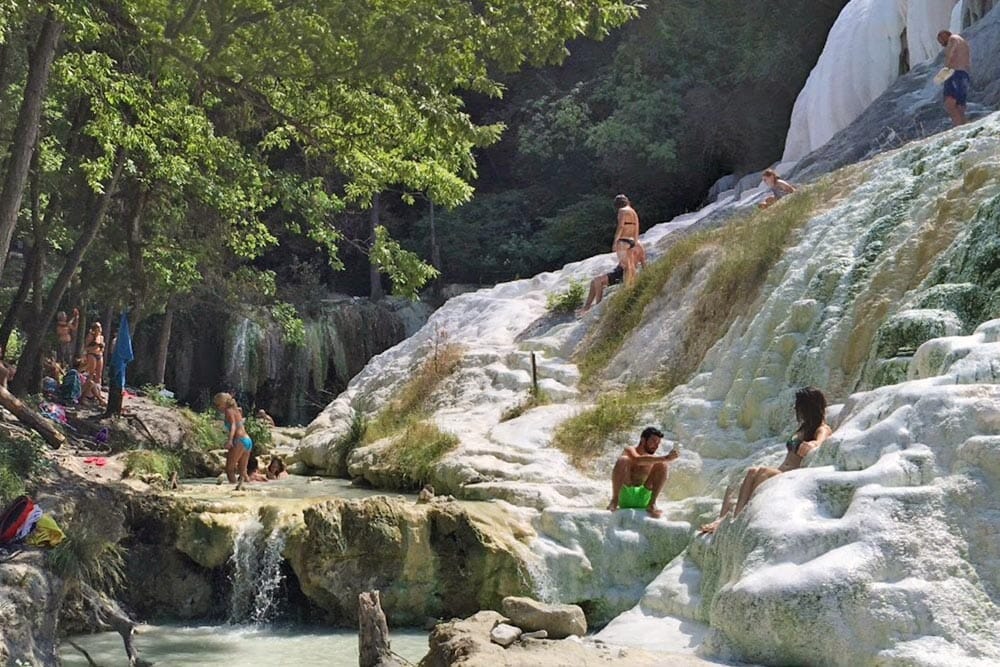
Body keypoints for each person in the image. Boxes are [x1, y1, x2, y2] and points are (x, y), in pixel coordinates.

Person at [699, 386, 833, 534]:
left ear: (810, 407)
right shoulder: (804, 427)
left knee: (761, 471)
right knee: (740, 478)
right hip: (781, 470)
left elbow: (820, 442)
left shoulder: (822, 428)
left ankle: (737, 519)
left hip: (791, 475)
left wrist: (811, 444)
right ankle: (722, 518)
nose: (796, 409)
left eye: (800, 406)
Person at [608, 426, 681, 519]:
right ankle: (614, 500)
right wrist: (665, 458)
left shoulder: (653, 459)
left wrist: (665, 459)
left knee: (662, 464)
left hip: (643, 499)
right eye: (653, 441)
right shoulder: (630, 450)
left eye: (658, 443)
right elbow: (637, 460)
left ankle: (652, 503)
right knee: (623, 459)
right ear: (643, 439)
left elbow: (658, 463)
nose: (656, 445)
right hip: (625, 495)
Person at [576, 242, 647, 317]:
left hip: (623, 271)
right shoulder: (628, 244)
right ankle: (586, 307)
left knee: (597, 281)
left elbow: (641, 262)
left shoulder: (637, 246)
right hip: (618, 269)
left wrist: (642, 274)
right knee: (593, 282)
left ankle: (597, 306)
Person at [214, 392, 252, 489]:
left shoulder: (228, 411)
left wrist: (230, 440)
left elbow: (233, 426)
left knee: (229, 469)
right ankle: (250, 490)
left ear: (224, 402)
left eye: (218, 404)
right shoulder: (236, 410)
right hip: (247, 440)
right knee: (243, 471)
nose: (217, 407)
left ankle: (233, 489)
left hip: (239, 440)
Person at [936, 30, 971, 126]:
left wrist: (945, 71)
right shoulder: (963, 42)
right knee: (960, 104)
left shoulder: (953, 39)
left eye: (940, 40)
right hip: (964, 74)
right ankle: (963, 125)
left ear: (944, 36)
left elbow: (950, 55)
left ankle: (959, 126)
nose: (941, 43)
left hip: (954, 73)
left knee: (950, 103)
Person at [612, 194, 642, 288]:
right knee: (631, 264)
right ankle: (634, 283)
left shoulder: (622, 211)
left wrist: (615, 241)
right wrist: (636, 241)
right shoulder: (633, 211)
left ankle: (627, 286)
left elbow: (621, 226)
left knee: (625, 265)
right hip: (631, 240)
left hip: (623, 240)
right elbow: (637, 227)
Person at [84, 322, 105, 386]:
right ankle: (87, 388)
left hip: (99, 355)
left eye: (100, 327)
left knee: (99, 374)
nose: (99, 329)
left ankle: (98, 388)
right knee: (91, 373)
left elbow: (102, 348)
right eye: (98, 327)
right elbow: (86, 347)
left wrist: (102, 347)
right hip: (92, 354)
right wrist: (94, 346)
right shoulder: (90, 336)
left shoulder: (101, 337)